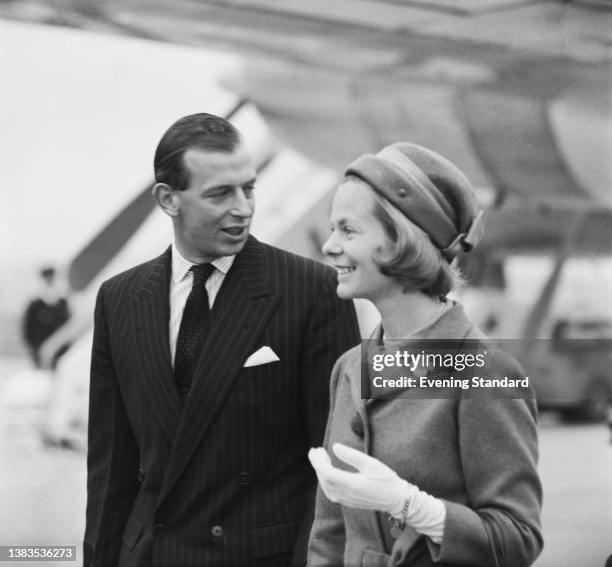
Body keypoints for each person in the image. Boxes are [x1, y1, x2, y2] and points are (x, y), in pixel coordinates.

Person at [84, 113, 360, 567]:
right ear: (168, 199)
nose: (243, 207)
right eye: (220, 194)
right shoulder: (120, 299)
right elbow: (111, 467)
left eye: (248, 188)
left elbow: (334, 465)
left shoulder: (311, 291)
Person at [307, 143, 543, 567]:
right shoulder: (349, 369)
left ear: (402, 241)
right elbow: (329, 534)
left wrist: (413, 506)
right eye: (332, 229)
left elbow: (518, 540)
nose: (328, 246)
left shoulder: (486, 372)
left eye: (348, 230)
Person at [22, 266, 71, 368]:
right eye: (47, 278)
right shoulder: (35, 305)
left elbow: (68, 327)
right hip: (42, 353)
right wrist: (35, 352)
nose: (50, 281)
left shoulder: (62, 303)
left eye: (52, 278)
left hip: (62, 353)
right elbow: (28, 331)